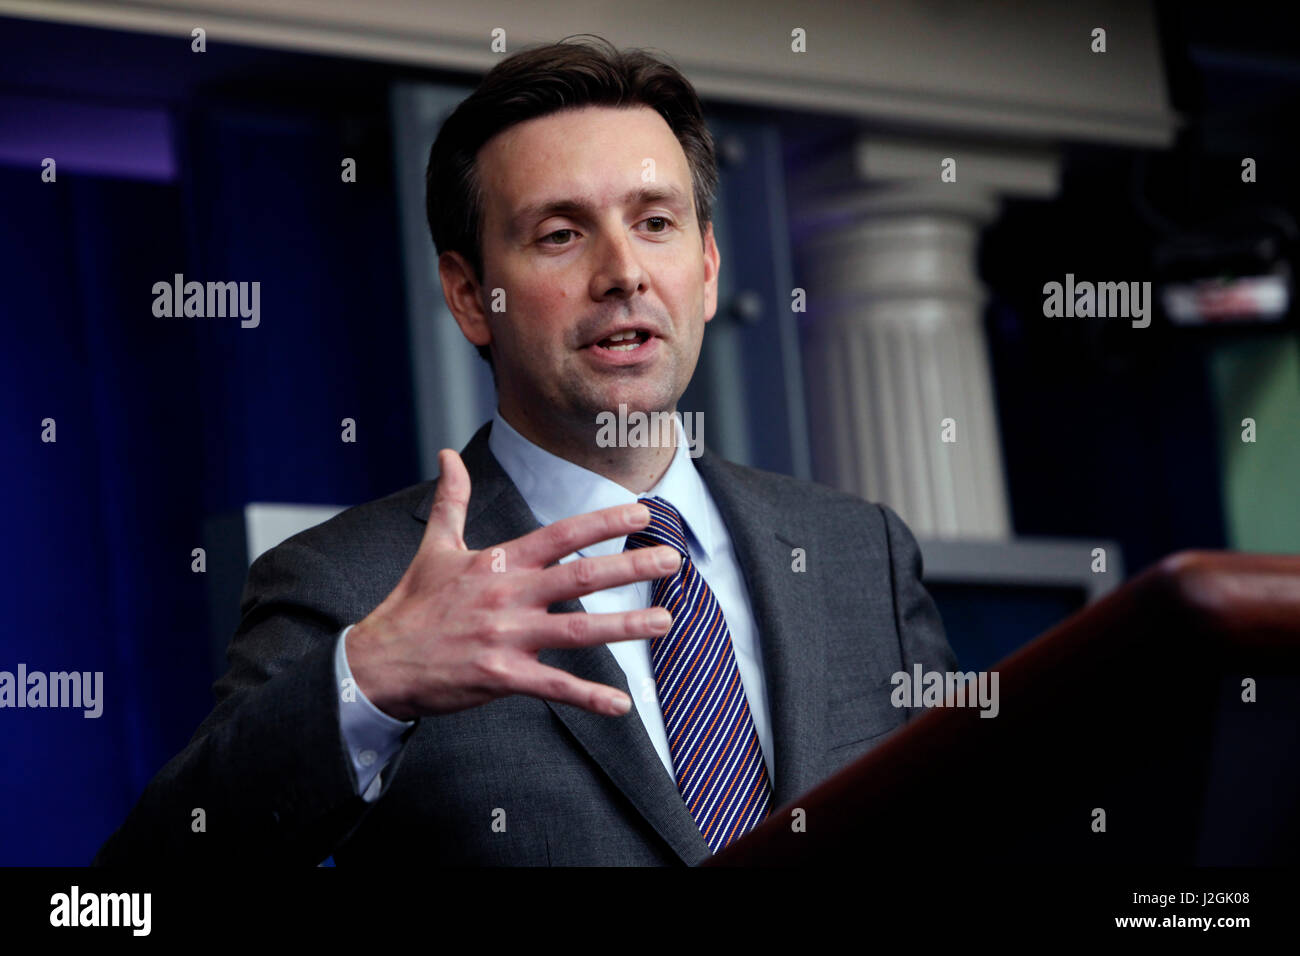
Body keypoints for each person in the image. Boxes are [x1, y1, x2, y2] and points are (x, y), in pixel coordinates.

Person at [94, 35, 957, 867]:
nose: (623, 272)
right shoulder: (353, 585)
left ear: (707, 269)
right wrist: (372, 680)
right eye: (560, 234)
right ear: (471, 297)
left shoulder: (861, 554)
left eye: (656, 222)